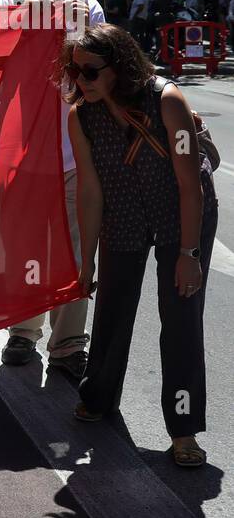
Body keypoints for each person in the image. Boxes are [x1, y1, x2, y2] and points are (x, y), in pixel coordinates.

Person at [66, 24, 217, 466]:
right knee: (112, 306)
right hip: (125, 213)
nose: (81, 82)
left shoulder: (167, 100)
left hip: (182, 216)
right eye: (74, 72)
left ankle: (184, 429)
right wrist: (86, 262)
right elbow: (91, 192)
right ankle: (98, 397)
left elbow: (192, 187)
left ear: (120, 68)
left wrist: (189, 257)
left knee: (181, 316)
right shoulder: (82, 116)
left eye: (91, 73)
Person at [0, 0, 103, 379]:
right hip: (23, 148)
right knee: (26, 245)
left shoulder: (88, 7)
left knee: (77, 252)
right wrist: (25, 21)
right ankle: (24, 331)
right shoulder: (9, 0)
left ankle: (68, 345)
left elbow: (99, 65)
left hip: (75, 149)